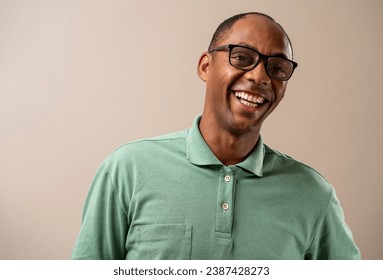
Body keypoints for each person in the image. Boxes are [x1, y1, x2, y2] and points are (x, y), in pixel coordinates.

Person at [72, 12, 360, 260]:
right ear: (205, 67)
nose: (260, 77)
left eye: (277, 68)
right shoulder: (127, 169)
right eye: (242, 57)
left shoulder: (312, 194)